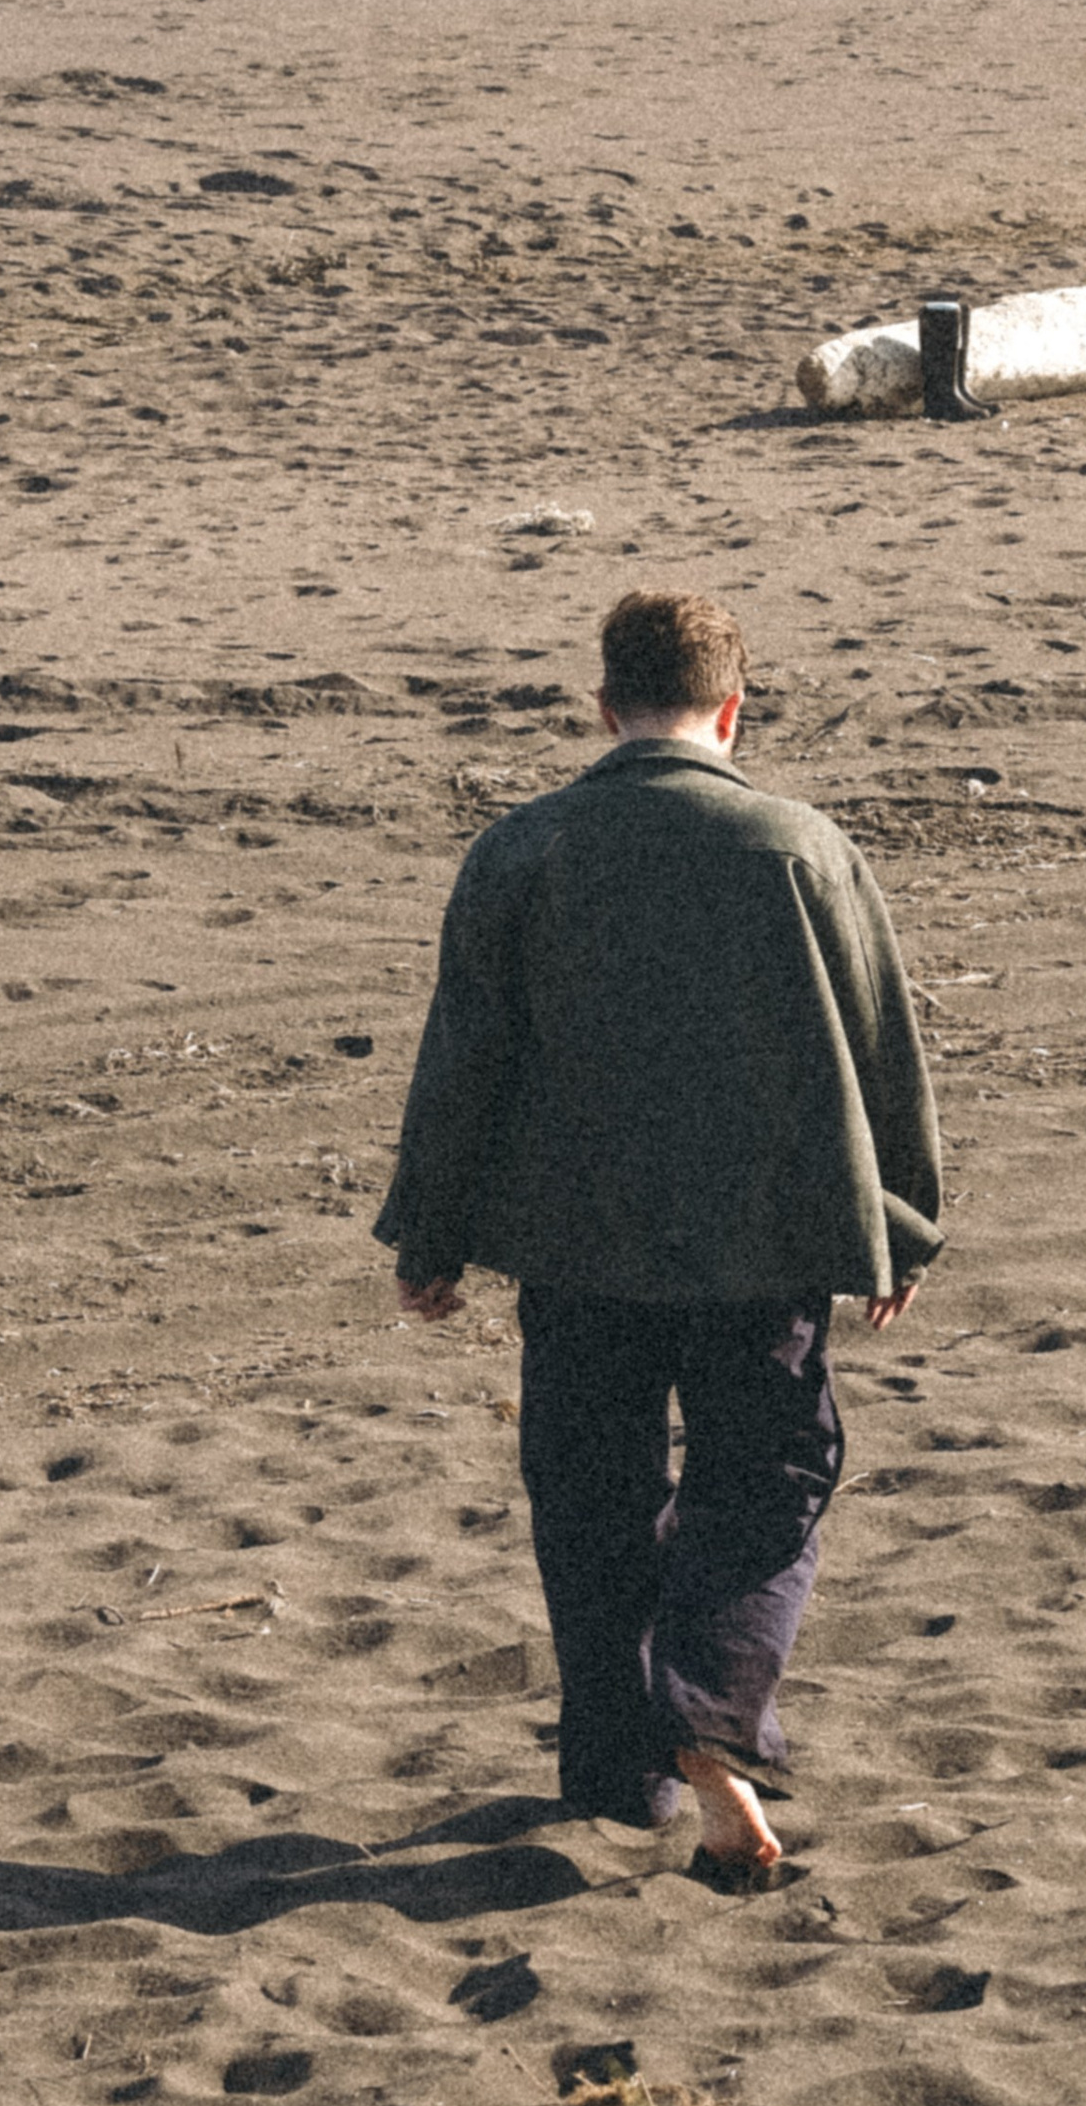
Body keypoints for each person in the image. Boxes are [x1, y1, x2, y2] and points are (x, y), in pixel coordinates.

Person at [377, 588, 942, 1884]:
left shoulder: (523, 851)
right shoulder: (801, 847)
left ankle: (617, 1772)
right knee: (771, 1473)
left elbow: (464, 1059)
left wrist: (431, 1235)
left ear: (603, 708)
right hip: (763, 1238)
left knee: (590, 1498)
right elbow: (882, 1048)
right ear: (733, 710)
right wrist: (899, 1225)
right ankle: (709, 1720)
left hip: (579, 1241)